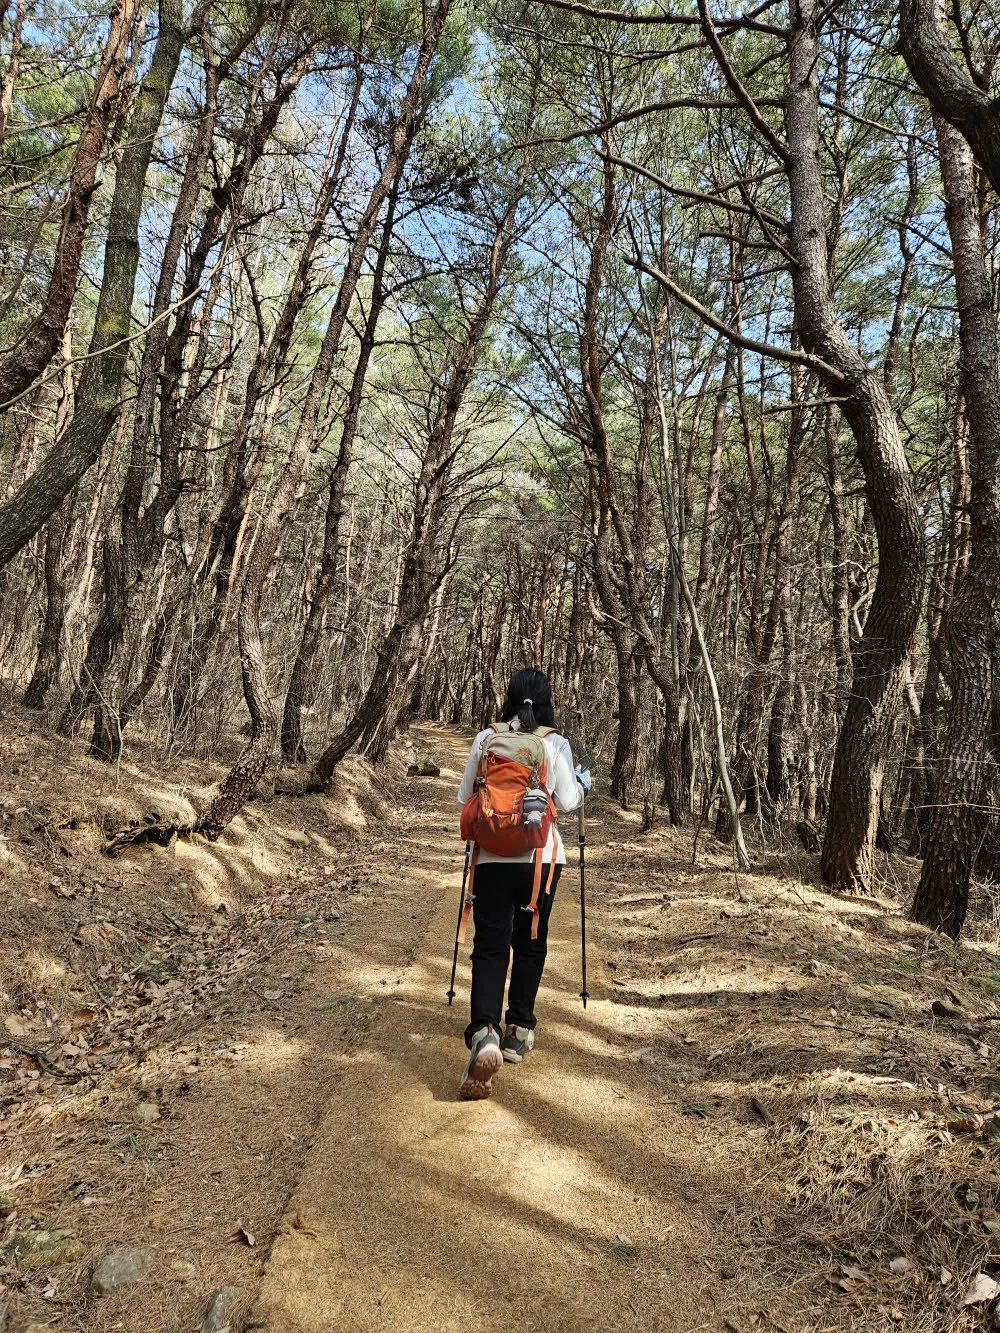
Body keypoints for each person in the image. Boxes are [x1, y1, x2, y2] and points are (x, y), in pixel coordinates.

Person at [455, 668, 590, 1100]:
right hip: (542, 862)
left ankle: (485, 1032)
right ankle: (519, 1031)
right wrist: (582, 783)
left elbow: (464, 799)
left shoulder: (486, 738)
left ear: (508, 698)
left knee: (490, 945)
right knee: (530, 942)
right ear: (547, 701)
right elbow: (568, 801)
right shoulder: (554, 743)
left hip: (492, 859)